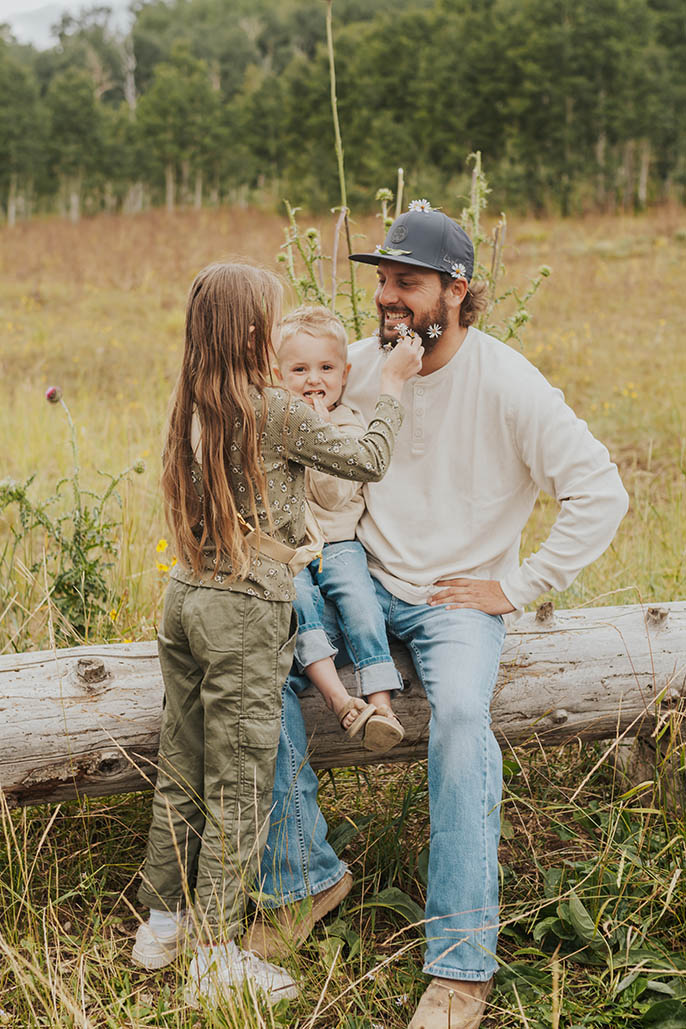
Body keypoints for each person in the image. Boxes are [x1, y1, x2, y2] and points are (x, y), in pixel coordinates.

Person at [244, 207, 629, 1028]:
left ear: (455, 290)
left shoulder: (507, 382)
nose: (386, 297)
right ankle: (304, 876)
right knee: (249, 661)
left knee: (459, 714)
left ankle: (460, 965)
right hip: (359, 578)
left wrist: (519, 585)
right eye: (382, 280)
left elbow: (602, 489)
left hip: (460, 600)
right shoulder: (356, 363)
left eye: (405, 283)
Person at [130, 261, 423, 1007]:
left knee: (183, 759)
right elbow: (368, 459)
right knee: (241, 780)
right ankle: (215, 954)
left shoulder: (194, 401)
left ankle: (161, 925)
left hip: (187, 596)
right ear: (253, 331)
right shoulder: (273, 408)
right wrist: (388, 385)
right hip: (241, 608)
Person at [275, 304, 406, 751]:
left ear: (345, 373)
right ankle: (337, 698)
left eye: (326, 367)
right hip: (291, 549)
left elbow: (332, 496)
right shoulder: (279, 423)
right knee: (301, 606)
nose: (314, 380)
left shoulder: (348, 424)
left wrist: (323, 432)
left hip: (340, 544)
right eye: (299, 369)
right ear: (277, 375)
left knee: (361, 605)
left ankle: (382, 703)